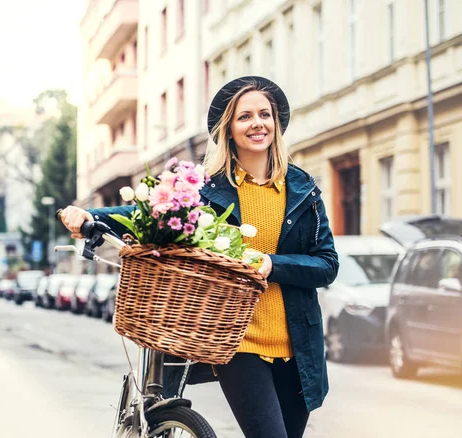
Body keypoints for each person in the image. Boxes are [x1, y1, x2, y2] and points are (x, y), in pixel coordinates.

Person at [59, 76, 339, 438]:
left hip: (298, 347)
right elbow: (151, 213)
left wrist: (273, 265)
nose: (257, 124)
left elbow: (327, 264)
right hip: (240, 344)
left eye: (264, 114)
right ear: (229, 129)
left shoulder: (304, 191)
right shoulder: (208, 191)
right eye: (245, 117)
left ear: (276, 123)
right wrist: (91, 217)